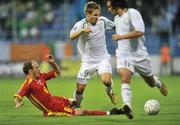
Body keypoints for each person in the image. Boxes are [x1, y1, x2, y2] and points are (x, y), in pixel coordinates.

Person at [106, 0, 168, 119]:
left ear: (116, 5)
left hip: (139, 54)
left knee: (150, 82)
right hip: (124, 54)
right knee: (124, 77)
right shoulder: (116, 19)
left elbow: (140, 31)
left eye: (110, 7)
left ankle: (158, 83)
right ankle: (127, 106)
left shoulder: (132, 13)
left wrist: (121, 36)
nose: (108, 9)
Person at [14, 55, 124, 116]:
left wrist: (53, 63)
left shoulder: (40, 76)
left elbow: (57, 73)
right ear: (30, 70)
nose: (39, 68)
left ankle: (76, 109)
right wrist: (17, 103)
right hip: (53, 108)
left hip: (55, 99)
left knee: (75, 102)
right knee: (83, 112)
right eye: (36, 67)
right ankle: (112, 112)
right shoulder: (27, 84)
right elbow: (18, 96)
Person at [70, 1, 117, 108]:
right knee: (80, 89)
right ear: (88, 14)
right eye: (95, 15)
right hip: (88, 61)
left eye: (98, 14)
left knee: (106, 81)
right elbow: (71, 36)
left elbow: (115, 26)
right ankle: (77, 106)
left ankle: (110, 92)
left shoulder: (103, 21)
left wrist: (122, 34)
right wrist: (82, 31)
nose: (98, 17)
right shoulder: (81, 24)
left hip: (102, 59)